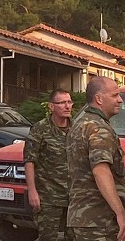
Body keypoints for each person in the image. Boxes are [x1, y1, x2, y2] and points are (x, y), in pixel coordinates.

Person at [66, 77, 125, 241]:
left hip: (80, 217)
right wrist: (121, 214)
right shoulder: (98, 128)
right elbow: (101, 171)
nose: (120, 100)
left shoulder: (79, 124)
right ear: (99, 99)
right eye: (115, 95)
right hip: (99, 220)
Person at [24, 89, 74, 241]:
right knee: (47, 237)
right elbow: (29, 160)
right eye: (62, 103)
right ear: (51, 107)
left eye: (69, 102)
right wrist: (32, 191)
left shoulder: (77, 128)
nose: (67, 106)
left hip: (74, 196)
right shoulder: (40, 129)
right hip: (48, 196)